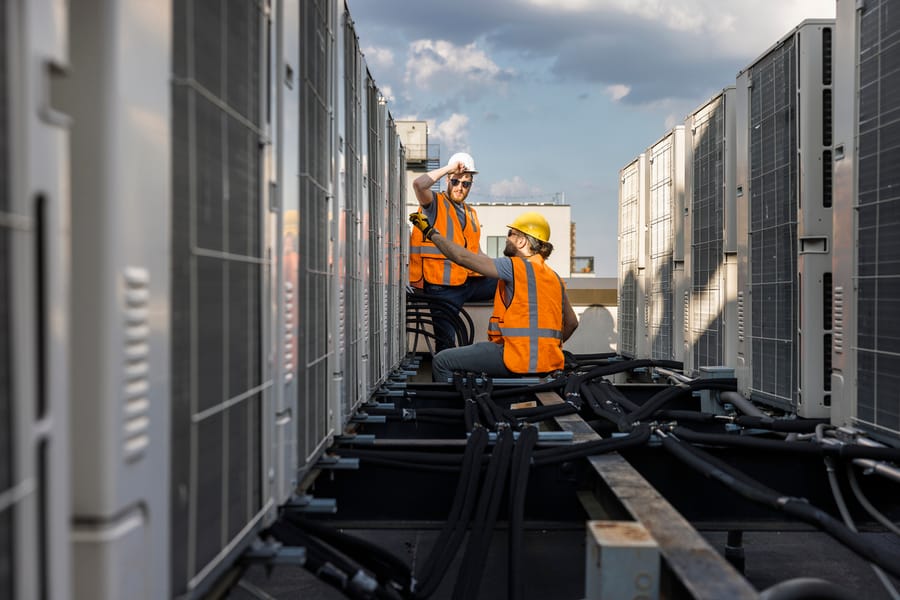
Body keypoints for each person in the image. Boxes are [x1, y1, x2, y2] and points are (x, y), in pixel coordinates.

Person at [409, 210, 578, 382]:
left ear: (521, 241)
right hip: (547, 362)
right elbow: (572, 323)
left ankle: (458, 407)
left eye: (510, 234)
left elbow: (461, 257)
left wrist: (430, 232)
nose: (507, 239)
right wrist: (542, 350)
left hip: (514, 358)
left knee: (441, 361)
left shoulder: (514, 266)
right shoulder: (555, 278)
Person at [409, 151, 497, 353]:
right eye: (456, 181)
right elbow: (418, 184)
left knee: (511, 280)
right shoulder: (434, 204)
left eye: (465, 184)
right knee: (445, 344)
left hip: (468, 282)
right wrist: (450, 168)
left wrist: (504, 267)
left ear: (471, 185)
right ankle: (445, 381)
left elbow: (477, 252)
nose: (460, 187)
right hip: (442, 287)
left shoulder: (470, 213)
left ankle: (503, 343)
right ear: (448, 180)